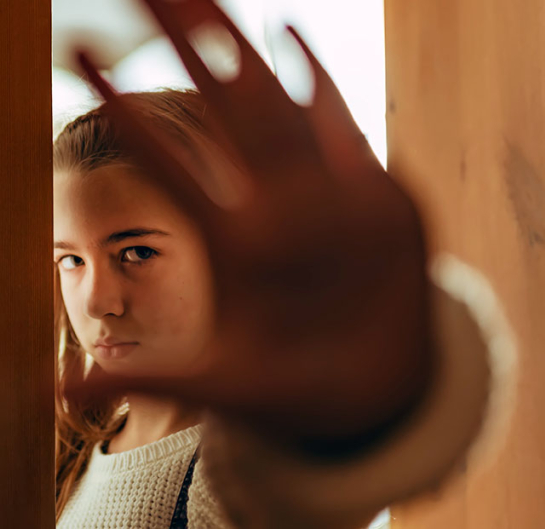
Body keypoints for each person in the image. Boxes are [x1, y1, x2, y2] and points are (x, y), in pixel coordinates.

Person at [52, 1, 516, 528]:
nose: (95, 301)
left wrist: (360, 399)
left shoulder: (241, 472)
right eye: (70, 259)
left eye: (137, 253)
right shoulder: (63, 456)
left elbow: (308, 491)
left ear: (234, 252)